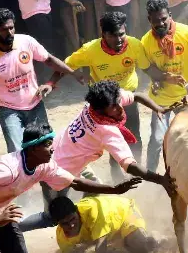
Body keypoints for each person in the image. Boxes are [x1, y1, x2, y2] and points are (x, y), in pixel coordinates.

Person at [0, 122, 141, 253]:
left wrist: (114, 189)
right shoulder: (7, 169)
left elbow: (75, 182)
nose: (52, 149)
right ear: (33, 148)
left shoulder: (44, 166)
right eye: (47, 145)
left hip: (0, 214)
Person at [19, 81, 175, 232]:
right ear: (101, 110)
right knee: (52, 218)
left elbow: (137, 96)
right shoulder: (106, 131)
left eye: (118, 102)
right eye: (113, 107)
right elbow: (130, 166)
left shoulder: (96, 103)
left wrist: (157, 108)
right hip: (56, 171)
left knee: (95, 193)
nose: (120, 108)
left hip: (73, 158)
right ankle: (10, 228)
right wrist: (161, 179)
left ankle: (85, 227)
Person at [48, 11, 162, 182]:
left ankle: (135, 170)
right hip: (104, 106)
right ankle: (116, 174)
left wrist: (161, 78)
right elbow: (65, 64)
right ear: (104, 35)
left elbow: (147, 68)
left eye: (122, 34)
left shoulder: (135, 45)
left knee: (135, 136)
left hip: (128, 98)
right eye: (113, 36)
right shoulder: (90, 50)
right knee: (111, 140)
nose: (119, 39)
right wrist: (51, 83)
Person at [0, 8, 84, 154]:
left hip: (35, 104)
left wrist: (73, 73)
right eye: (4, 29)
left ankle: (48, 176)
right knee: (17, 152)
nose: (10, 33)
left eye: (11, 27)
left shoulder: (25, 41)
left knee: (46, 147)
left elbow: (48, 60)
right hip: (9, 111)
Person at [142, 0, 188, 172]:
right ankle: (150, 177)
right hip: (161, 101)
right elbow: (148, 68)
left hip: (186, 97)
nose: (160, 23)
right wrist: (158, 81)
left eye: (163, 19)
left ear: (170, 15)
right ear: (149, 20)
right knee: (157, 139)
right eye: (155, 20)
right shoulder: (145, 41)